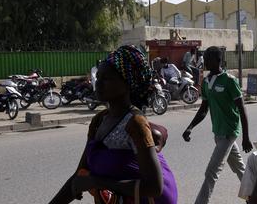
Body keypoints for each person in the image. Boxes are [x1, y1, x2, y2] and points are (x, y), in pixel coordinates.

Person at [49, 45, 178, 204]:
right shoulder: (99, 121)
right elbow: (80, 176)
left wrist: (97, 182)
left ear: (127, 83)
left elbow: (154, 187)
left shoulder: (135, 123)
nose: (98, 83)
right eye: (98, 76)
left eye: (106, 78)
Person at [182, 46, 253, 204]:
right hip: (218, 132)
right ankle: (254, 196)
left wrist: (246, 137)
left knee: (211, 172)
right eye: (204, 58)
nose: (205, 62)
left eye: (208, 59)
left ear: (218, 60)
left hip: (229, 132)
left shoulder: (229, 80)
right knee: (239, 167)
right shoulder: (206, 81)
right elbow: (203, 109)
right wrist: (190, 127)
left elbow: (242, 109)